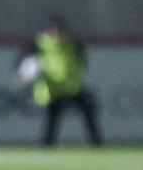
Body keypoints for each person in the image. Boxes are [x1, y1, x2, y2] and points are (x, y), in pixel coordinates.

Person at [17, 14, 102, 146]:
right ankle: (47, 145)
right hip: (53, 90)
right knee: (52, 119)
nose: (57, 33)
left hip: (72, 88)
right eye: (54, 30)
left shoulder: (73, 44)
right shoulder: (39, 45)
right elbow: (26, 65)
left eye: (59, 30)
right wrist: (25, 76)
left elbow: (82, 63)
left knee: (88, 109)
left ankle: (97, 143)